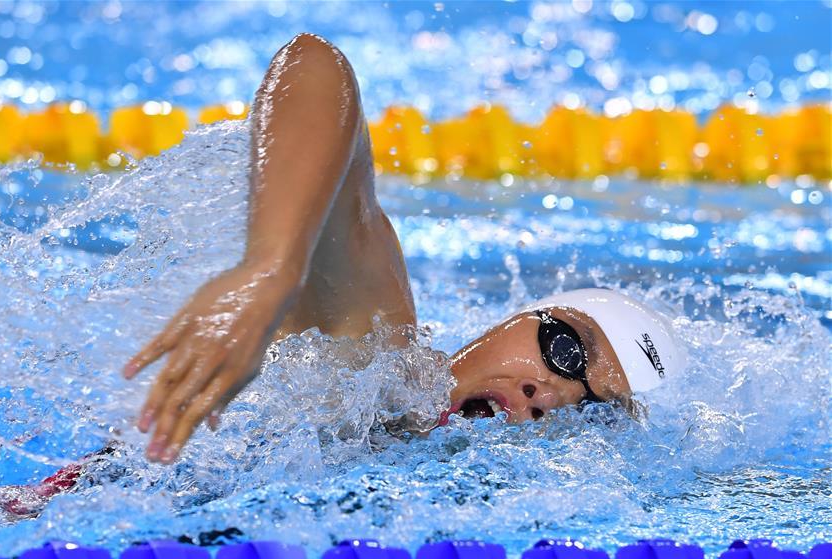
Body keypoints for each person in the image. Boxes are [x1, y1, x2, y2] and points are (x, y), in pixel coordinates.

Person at [121, 33, 686, 465]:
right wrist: (271, 270)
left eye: (594, 411)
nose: (553, 393)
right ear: (513, 321)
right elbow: (314, 64)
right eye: (564, 348)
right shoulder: (373, 361)